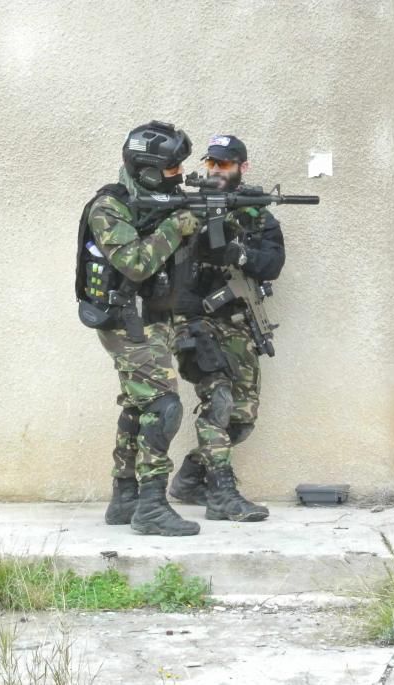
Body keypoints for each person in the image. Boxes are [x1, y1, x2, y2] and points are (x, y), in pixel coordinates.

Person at [77, 120, 202, 536]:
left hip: (151, 317)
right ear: (147, 170)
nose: (179, 175)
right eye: (171, 168)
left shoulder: (158, 201)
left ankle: (125, 497)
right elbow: (134, 263)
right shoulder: (108, 207)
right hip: (125, 320)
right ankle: (151, 505)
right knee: (163, 406)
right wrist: (175, 227)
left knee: (137, 406)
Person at [168, 135, 284, 522]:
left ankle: (190, 478)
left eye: (225, 164)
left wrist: (239, 252)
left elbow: (272, 264)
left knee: (242, 417)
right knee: (218, 400)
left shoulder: (257, 215)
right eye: (211, 163)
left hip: (236, 323)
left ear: (242, 167)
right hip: (192, 319)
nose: (216, 170)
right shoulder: (186, 208)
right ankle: (222, 494)